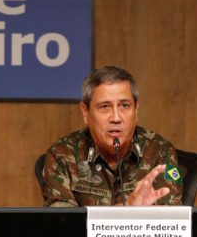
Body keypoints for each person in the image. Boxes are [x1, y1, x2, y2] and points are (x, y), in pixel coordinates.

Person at [41, 65, 183, 206]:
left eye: (124, 106)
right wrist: (129, 208)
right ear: (85, 112)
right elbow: (62, 224)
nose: (116, 117)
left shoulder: (161, 152)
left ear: (136, 110)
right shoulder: (61, 156)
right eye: (105, 107)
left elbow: (172, 219)